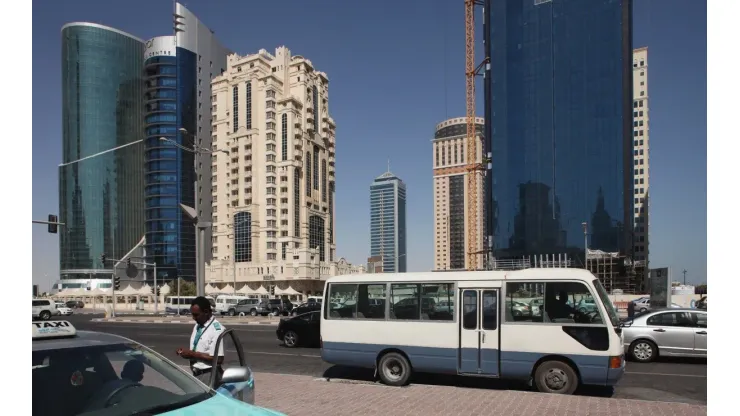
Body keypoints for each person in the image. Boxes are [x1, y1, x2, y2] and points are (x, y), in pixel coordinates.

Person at [176, 296, 225, 387]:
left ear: (206, 312)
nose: (193, 318)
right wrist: (185, 353)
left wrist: (193, 354)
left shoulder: (216, 330)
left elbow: (219, 359)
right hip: (196, 373)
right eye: (192, 314)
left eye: (196, 315)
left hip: (208, 375)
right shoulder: (198, 325)